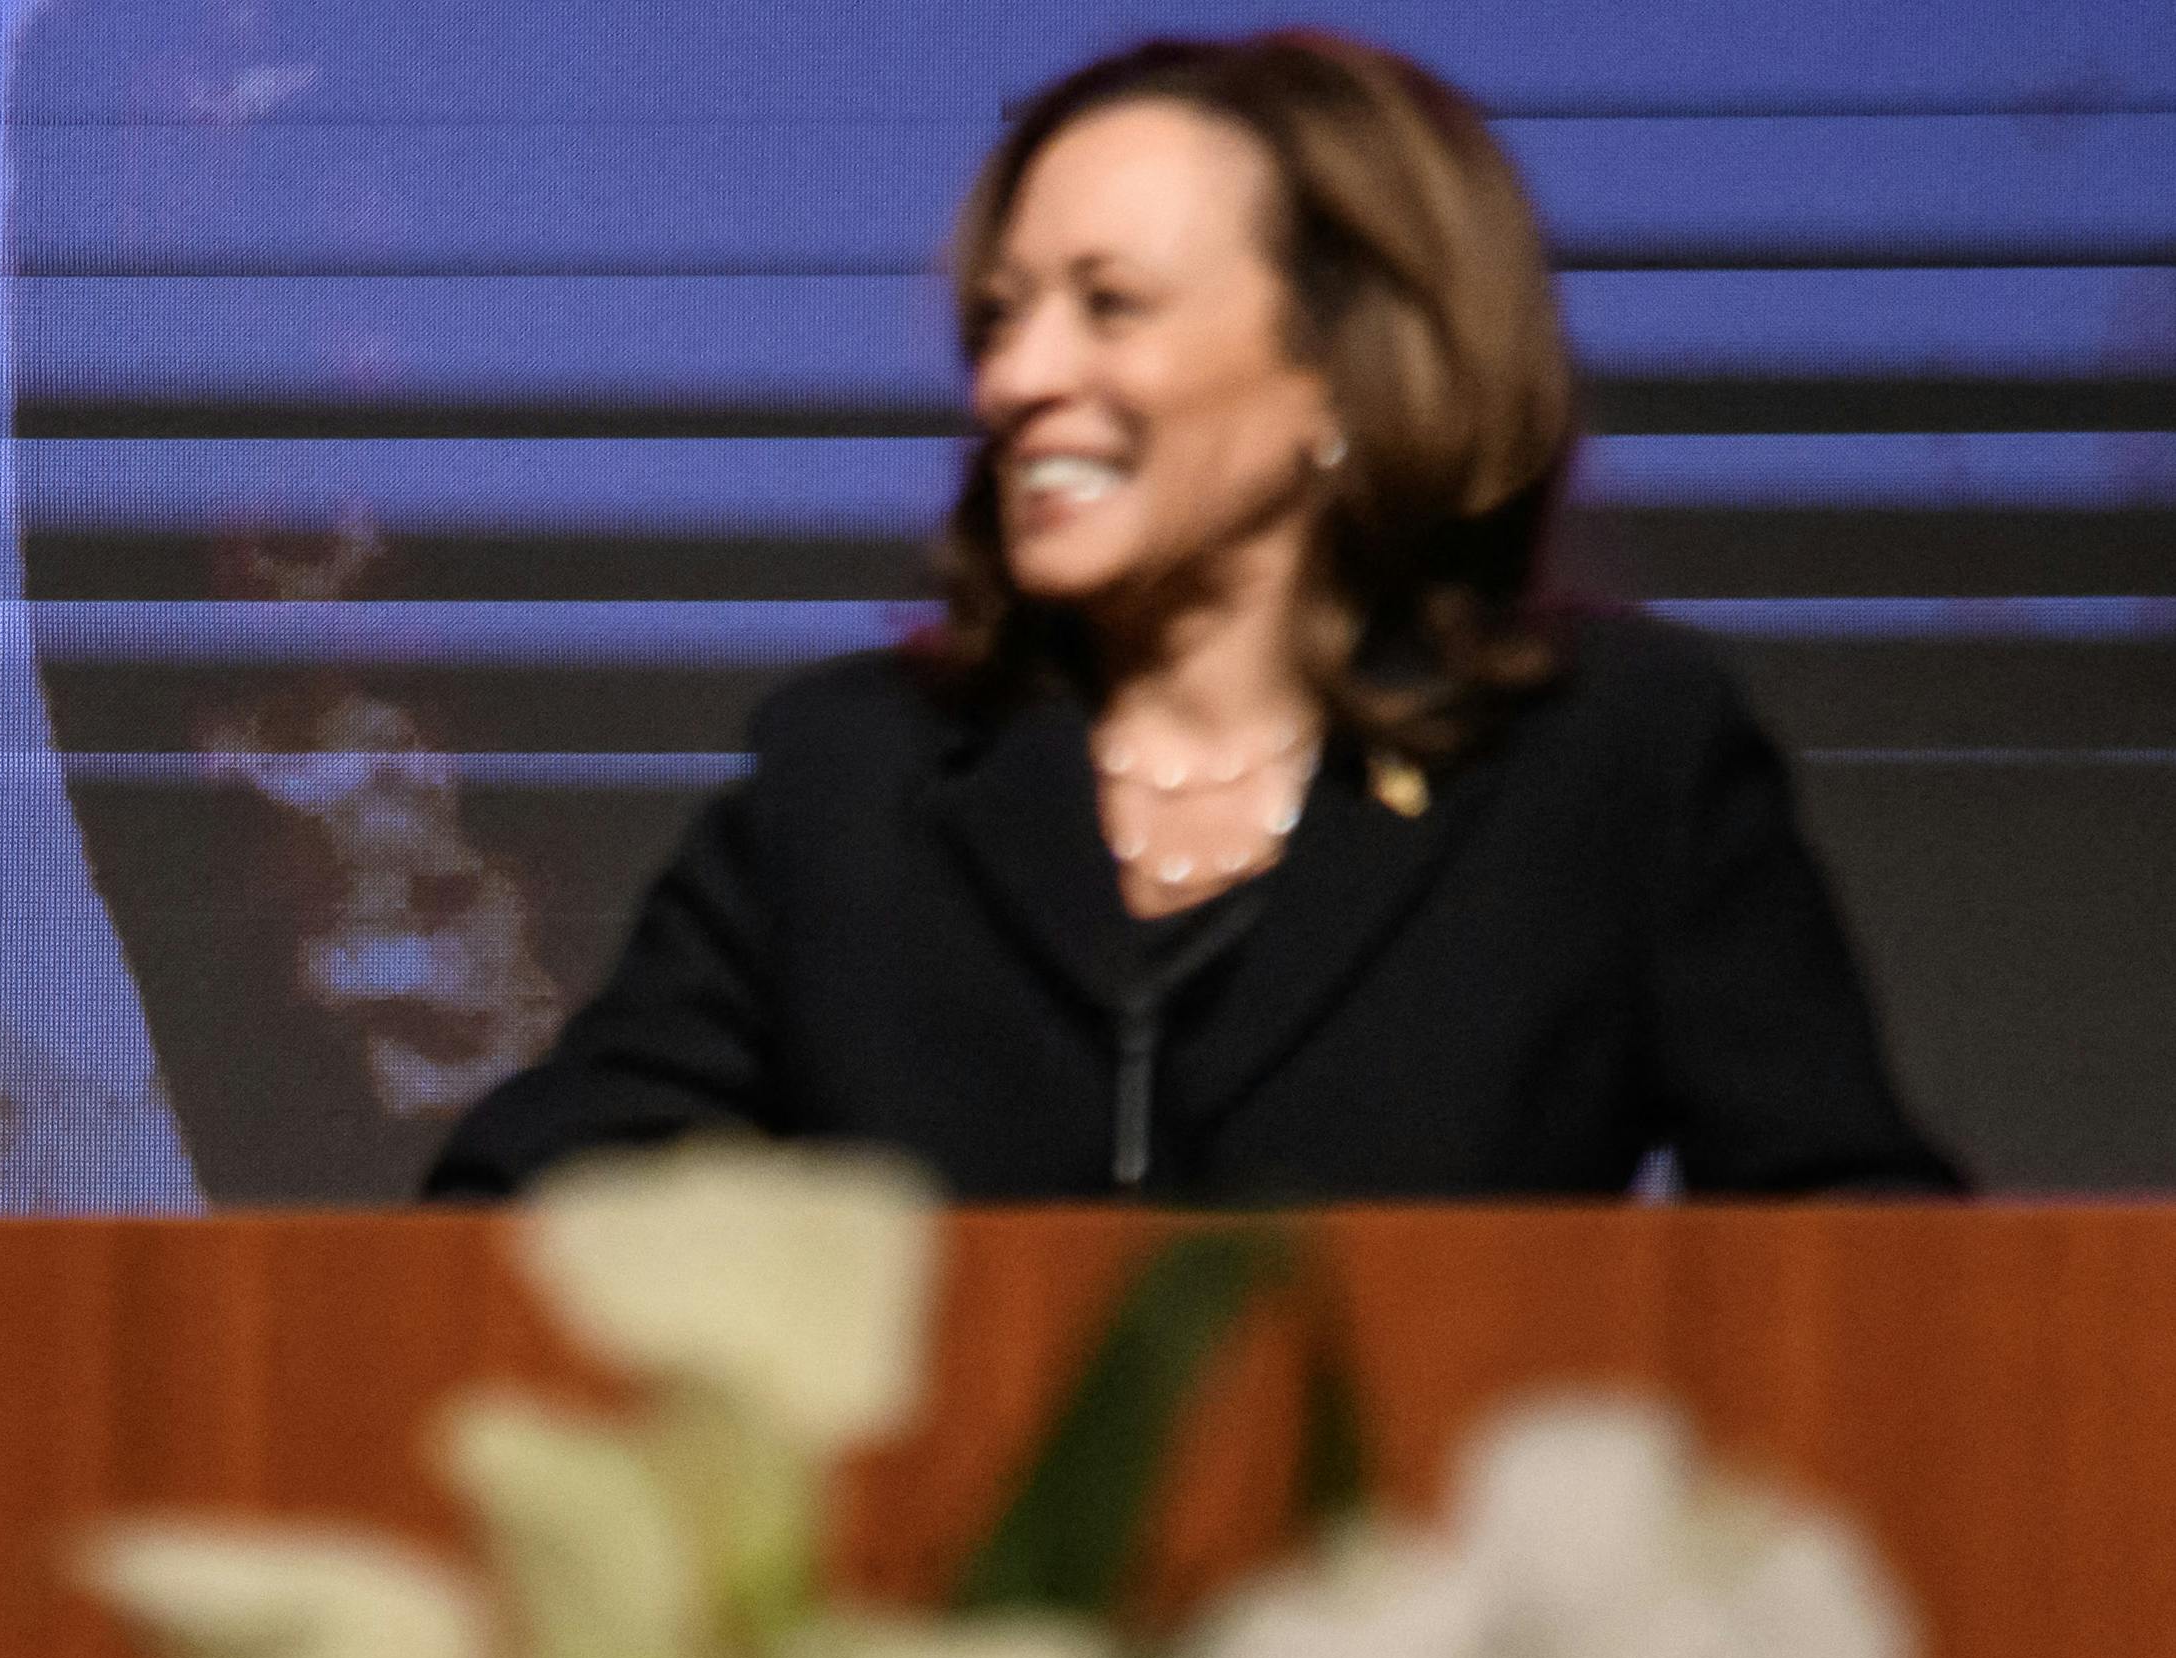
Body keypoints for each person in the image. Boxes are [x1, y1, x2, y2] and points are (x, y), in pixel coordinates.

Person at [429, 30, 1958, 1203]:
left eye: (1109, 305)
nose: (1017, 379)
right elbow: (511, 1220)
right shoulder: (852, 776)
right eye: (1000, 315)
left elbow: (1860, 1262)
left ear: (1340, 373)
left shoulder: (1611, 756)